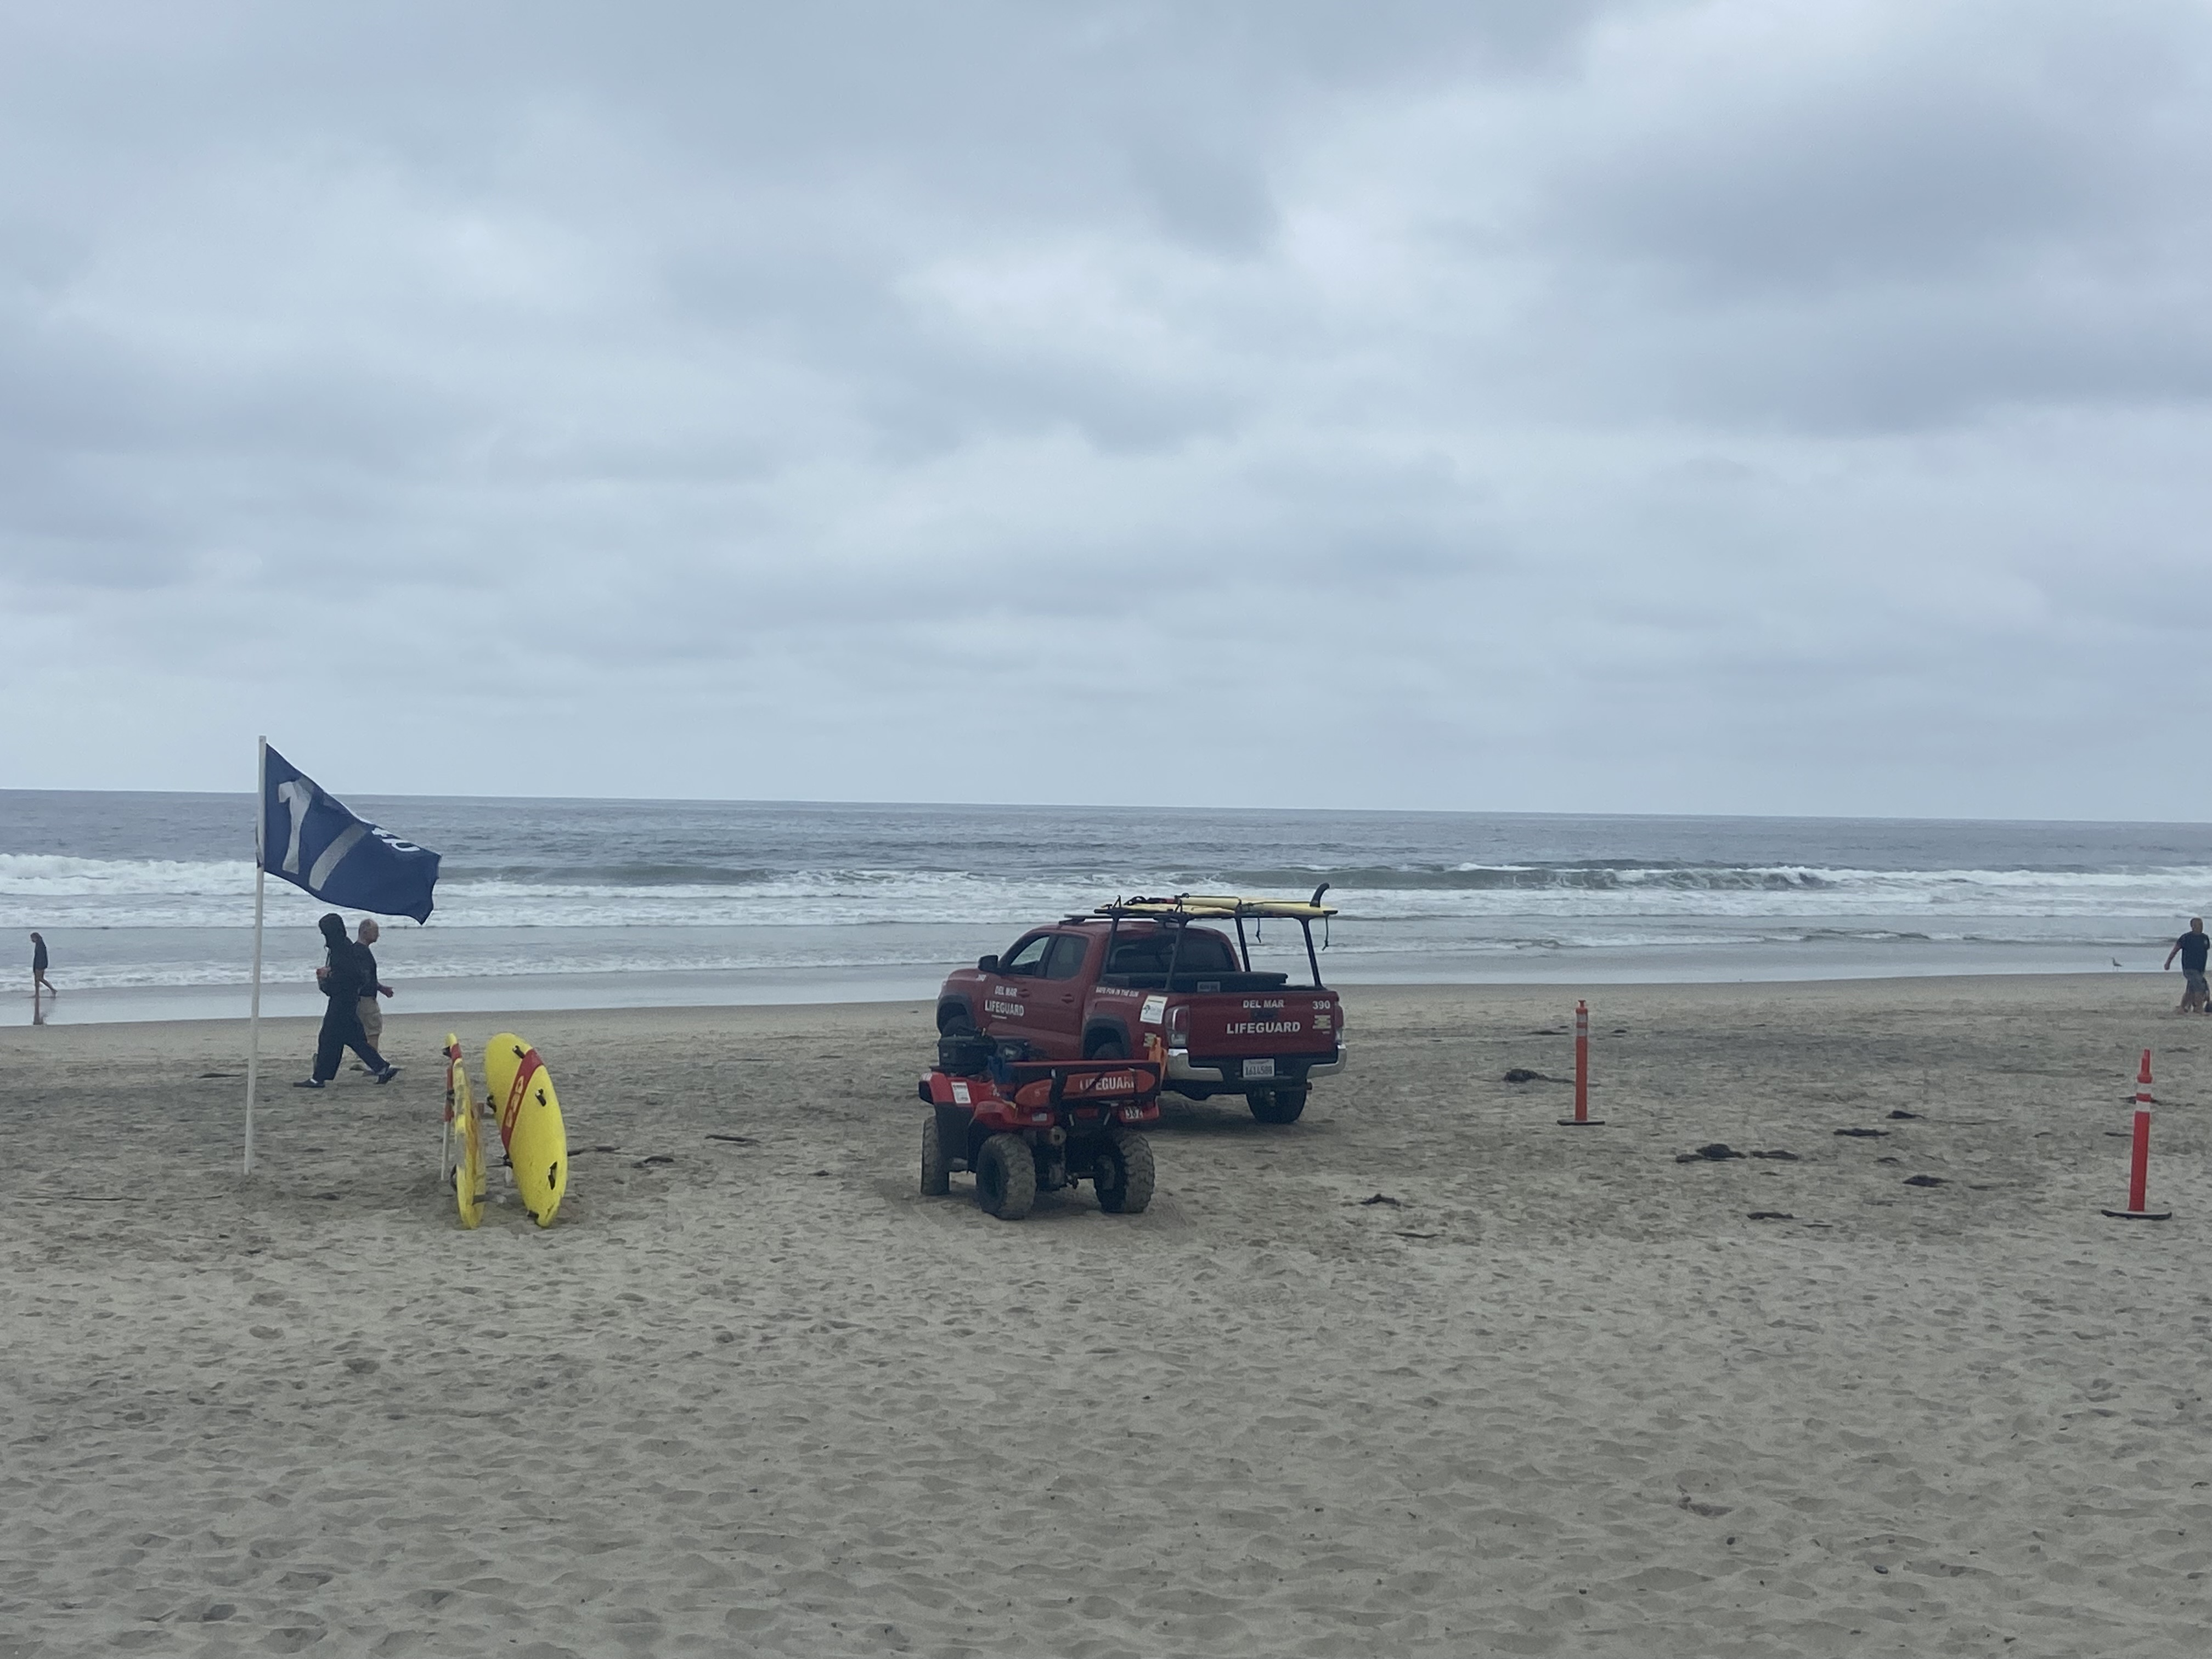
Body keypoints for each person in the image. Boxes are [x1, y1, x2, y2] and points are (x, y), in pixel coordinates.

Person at [296, 913, 398, 1087]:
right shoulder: (343, 947)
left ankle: (319, 1078)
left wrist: (329, 975)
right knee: (354, 1039)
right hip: (348, 1001)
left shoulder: (341, 950)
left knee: (328, 1037)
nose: (324, 936)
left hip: (342, 1002)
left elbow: (352, 976)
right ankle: (382, 1068)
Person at [350, 918, 394, 1068]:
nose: (378, 935)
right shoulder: (360, 951)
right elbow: (363, 977)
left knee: (362, 1031)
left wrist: (381, 988)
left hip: (360, 997)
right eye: (375, 931)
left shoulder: (358, 950)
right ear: (365, 932)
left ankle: (365, 1061)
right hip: (365, 998)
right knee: (373, 1030)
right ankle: (372, 1065)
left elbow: (366, 977)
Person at [2164, 918, 2211, 1014]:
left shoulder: (2205, 938)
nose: (2201, 927)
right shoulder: (2186, 938)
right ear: (2193, 926)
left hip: (2200, 968)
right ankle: (2199, 1009)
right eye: (2198, 925)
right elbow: (2175, 950)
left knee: (2191, 989)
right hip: (2189, 968)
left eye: (2202, 925)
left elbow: (2205, 951)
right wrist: (2168, 962)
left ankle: (2182, 1008)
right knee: (2200, 987)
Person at [30, 932, 57, 997]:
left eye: (32, 938)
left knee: (40, 978)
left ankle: (52, 989)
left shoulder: (40, 945)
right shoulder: (39, 944)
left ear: (36, 938)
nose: (31, 940)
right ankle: (37, 994)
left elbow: (41, 956)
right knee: (37, 979)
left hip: (40, 964)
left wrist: (39, 966)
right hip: (39, 963)